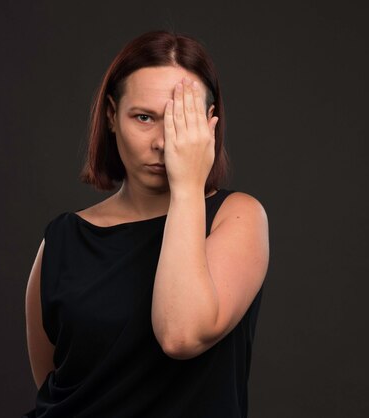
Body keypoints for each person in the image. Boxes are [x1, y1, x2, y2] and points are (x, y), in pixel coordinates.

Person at [23, 30, 270, 418]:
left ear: (209, 124)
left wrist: (188, 183)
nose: (162, 141)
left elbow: (181, 334)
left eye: (179, 121)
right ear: (111, 116)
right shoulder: (62, 240)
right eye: (143, 117)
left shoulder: (237, 217)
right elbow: (58, 385)